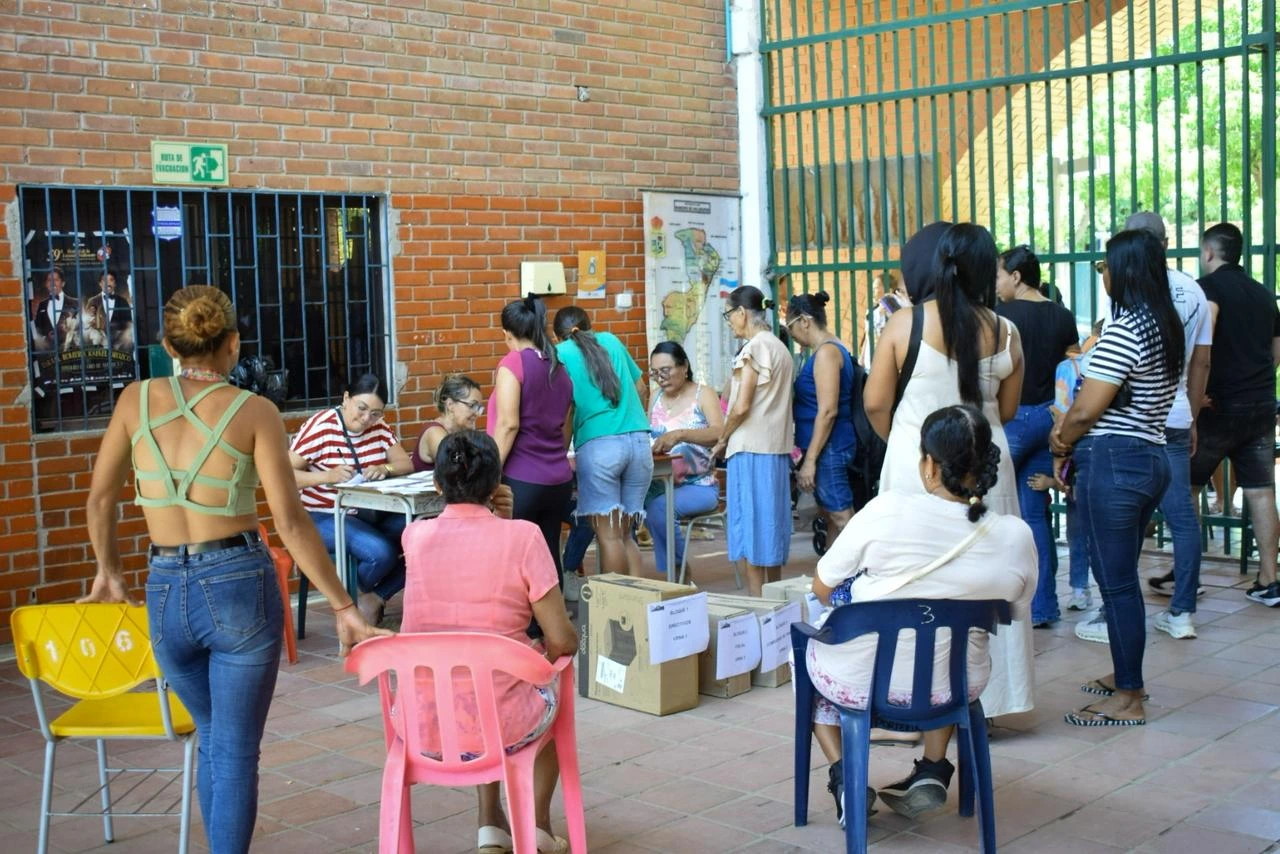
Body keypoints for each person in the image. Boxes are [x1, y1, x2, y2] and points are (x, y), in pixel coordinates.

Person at [81, 285, 386, 854]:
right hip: (237, 582)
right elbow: (291, 523)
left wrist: (108, 571)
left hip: (165, 586)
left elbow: (100, 500)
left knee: (216, 739)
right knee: (234, 749)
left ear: (168, 346)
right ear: (233, 345)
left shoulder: (134, 401)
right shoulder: (256, 411)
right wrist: (344, 607)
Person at [807, 405, 1036, 822]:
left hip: (865, 682)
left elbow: (821, 588)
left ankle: (846, 778)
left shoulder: (886, 510)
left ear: (929, 465)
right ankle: (934, 765)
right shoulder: (1015, 536)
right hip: (955, 686)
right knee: (941, 654)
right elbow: (1013, 613)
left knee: (806, 647)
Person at [401, 430, 578, 854]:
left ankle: (490, 826)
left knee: (478, 694)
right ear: (498, 483)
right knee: (535, 695)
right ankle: (536, 829)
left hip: (422, 720)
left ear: (437, 485)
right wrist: (540, 658)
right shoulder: (524, 536)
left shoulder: (415, 537)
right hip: (505, 719)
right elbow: (562, 639)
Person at [1050, 228, 1185, 727]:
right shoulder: (1163, 325)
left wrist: (1061, 439)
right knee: (1119, 577)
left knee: (1118, 582)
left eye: (1105, 266)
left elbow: (1087, 409)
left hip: (1115, 459)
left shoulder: (1127, 329)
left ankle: (1130, 695)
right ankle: (1125, 672)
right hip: (1148, 456)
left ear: (1124, 271)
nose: (1103, 275)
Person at [1190, 222, 1280, 607]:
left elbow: (1203, 347)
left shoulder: (1207, 289)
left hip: (1218, 406)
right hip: (1260, 404)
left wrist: (1197, 400)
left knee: (1188, 488)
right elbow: (1277, 351)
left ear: (1209, 252)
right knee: (1261, 491)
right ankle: (1270, 579)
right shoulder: (1263, 294)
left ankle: (1187, 575)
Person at [994, 245, 1079, 626]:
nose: (994, 284)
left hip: (1011, 420)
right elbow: (1074, 368)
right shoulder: (1062, 315)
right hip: (1048, 418)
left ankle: (995, 604)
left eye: (998, 275)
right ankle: (1044, 607)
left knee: (989, 505)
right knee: (1034, 515)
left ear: (1015, 276)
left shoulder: (1001, 317)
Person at [289, 373, 414, 626]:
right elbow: (284, 474)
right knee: (381, 553)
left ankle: (373, 597)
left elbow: (405, 463)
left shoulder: (378, 427)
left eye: (376, 413)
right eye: (362, 408)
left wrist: (384, 468)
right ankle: (352, 599)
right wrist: (327, 476)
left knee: (425, 537)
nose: (367, 418)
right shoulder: (322, 426)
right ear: (346, 398)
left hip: (368, 513)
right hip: (323, 514)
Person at [553, 305, 652, 576]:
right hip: (640, 444)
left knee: (608, 537)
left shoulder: (560, 354)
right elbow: (642, 388)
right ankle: (639, 607)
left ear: (557, 336)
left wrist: (561, 450)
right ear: (589, 325)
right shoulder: (611, 340)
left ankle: (616, 611)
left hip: (600, 448)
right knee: (625, 535)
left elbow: (567, 411)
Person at [712, 285, 795, 596]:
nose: (730, 322)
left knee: (750, 531)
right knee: (771, 530)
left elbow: (742, 404)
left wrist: (722, 438)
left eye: (729, 315)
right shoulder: (780, 348)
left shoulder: (754, 349)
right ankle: (774, 601)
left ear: (742, 313)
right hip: (775, 450)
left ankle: (758, 604)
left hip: (750, 450)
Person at [490, 297, 576, 581]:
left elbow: (507, 424)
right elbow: (567, 425)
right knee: (547, 552)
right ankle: (550, 623)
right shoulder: (558, 368)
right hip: (557, 478)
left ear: (507, 333)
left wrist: (489, 473)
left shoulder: (513, 363)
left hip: (521, 479)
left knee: (514, 558)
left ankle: (522, 623)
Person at [645, 341, 724, 579]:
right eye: (655, 372)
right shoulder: (656, 396)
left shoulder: (703, 394)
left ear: (685, 366)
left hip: (699, 485)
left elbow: (720, 433)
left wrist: (680, 434)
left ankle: (679, 573)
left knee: (659, 509)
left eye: (666, 370)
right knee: (626, 505)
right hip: (661, 481)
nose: (661, 377)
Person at [787, 291, 858, 541]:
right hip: (829, 446)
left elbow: (828, 411)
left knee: (841, 516)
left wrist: (810, 461)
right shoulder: (826, 349)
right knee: (830, 515)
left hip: (831, 446)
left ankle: (864, 572)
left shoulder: (826, 353)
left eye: (791, 328)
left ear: (804, 321)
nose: (792, 336)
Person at [413, 373, 484, 472]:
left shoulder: (460, 433)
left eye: (479, 408)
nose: (477, 413)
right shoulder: (434, 432)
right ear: (450, 405)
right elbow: (457, 467)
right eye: (472, 405)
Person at [84, 270, 134, 352]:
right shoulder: (92, 301)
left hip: (119, 345)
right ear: (100, 283)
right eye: (105, 280)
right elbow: (86, 325)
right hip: (98, 346)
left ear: (115, 284)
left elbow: (128, 324)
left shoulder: (123, 301)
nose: (108, 283)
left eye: (111, 280)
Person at [31, 268, 77, 353]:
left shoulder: (75, 303)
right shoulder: (42, 305)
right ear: (46, 284)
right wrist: (44, 339)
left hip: (70, 353)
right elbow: (37, 328)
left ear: (63, 283)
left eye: (56, 280)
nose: (52, 283)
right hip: (48, 355)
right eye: (49, 280)